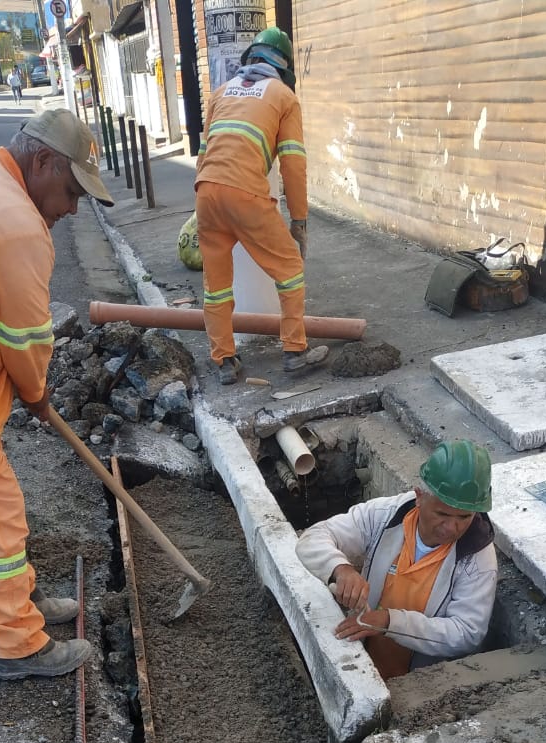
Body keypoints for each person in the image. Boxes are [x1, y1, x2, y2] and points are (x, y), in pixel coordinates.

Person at [0, 108, 114, 680]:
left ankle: (20, 602)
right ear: (43, 161)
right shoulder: (16, 227)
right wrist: (35, 394)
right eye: (70, 190)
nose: (72, 208)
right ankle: (18, 644)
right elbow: (29, 340)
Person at [296, 440, 497, 679]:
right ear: (420, 496)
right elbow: (313, 539)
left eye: (464, 517)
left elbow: (466, 633)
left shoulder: (477, 558)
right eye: (442, 513)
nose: (452, 527)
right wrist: (340, 569)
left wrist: (390, 622)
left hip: (417, 682)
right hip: (365, 655)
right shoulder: (386, 515)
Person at [195, 26, 328, 385]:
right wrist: (299, 221)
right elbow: (293, 163)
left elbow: (204, 154)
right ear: (283, 68)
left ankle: (224, 360)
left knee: (217, 285)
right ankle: (294, 351)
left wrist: (204, 203)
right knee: (289, 268)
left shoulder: (221, 93)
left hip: (206, 192)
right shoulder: (284, 98)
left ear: (250, 59)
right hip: (247, 194)